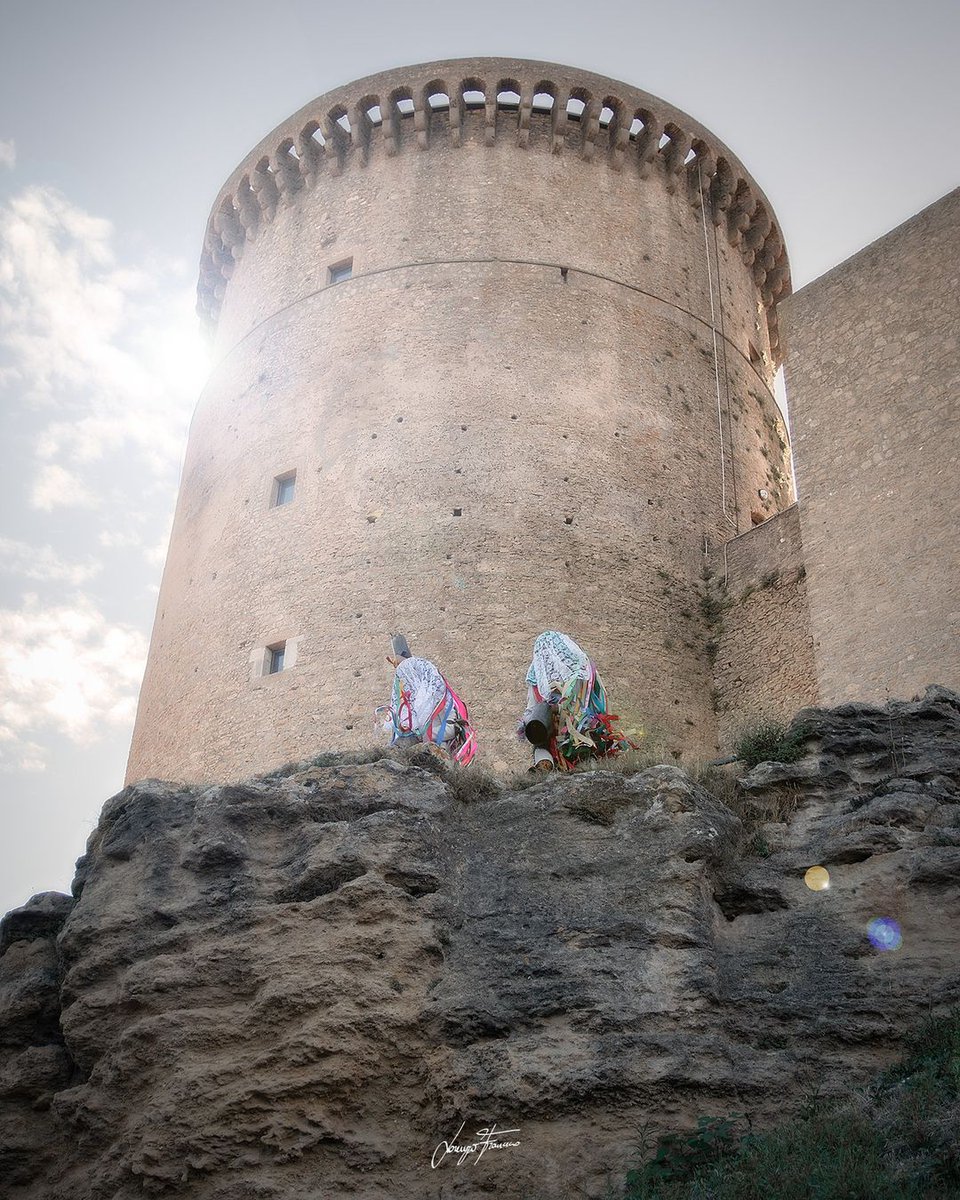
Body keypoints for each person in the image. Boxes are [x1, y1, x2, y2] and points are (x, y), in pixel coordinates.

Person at [519, 631, 634, 771]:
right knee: (588, 742)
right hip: (581, 725)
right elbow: (598, 696)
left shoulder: (537, 675)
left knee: (540, 743)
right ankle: (592, 767)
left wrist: (527, 723)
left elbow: (532, 707)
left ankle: (545, 763)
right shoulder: (581, 668)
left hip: (553, 729)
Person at [377, 634, 478, 766]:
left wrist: (420, 735)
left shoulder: (441, 701)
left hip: (437, 757)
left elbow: (451, 729)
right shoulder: (407, 704)